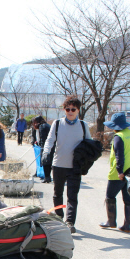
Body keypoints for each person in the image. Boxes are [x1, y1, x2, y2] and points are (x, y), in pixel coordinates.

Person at [42, 96, 91, 233]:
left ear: (78, 110)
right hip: (58, 164)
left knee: (72, 196)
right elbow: (50, 140)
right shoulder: (57, 124)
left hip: (75, 167)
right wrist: (46, 153)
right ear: (64, 109)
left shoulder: (83, 125)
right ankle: (59, 218)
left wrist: (87, 161)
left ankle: (70, 222)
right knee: (58, 194)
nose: (70, 111)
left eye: (73, 109)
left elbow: (89, 144)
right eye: (67, 109)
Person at [99, 112, 130, 233]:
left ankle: (111, 222)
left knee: (110, 196)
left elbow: (119, 156)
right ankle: (127, 225)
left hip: (118, 174)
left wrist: (120, 171)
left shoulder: (119, 137)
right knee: (128, 199)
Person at [32, 116, 52, 183]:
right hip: (51, 145)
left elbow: (43, 138)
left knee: (45, 161)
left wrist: (41, 146)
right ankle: (48, 177)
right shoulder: (47, 125)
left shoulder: (42, 127)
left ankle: (47, 177)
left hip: (46, 146)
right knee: (48, 162)